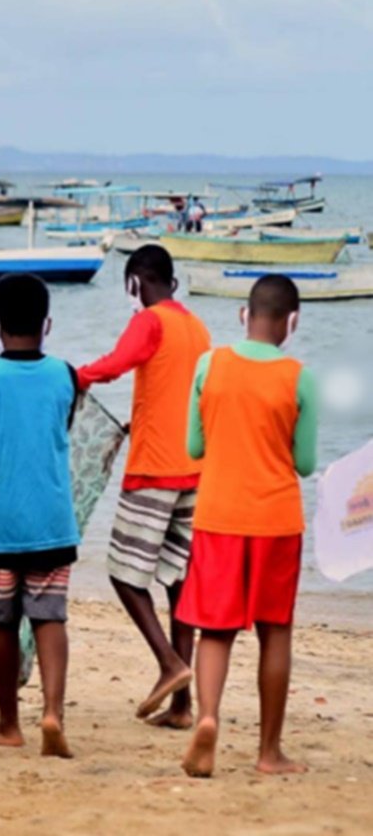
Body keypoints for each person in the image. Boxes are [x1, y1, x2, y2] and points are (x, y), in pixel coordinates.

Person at [179, 275, 317, 778]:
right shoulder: (301, 378)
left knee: (214, 629)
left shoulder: (208, 364)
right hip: (277, 520)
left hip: (218, 515)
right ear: (293, 321)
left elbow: (195, 447)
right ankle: (268, 752)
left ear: (244, 314)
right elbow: (304, 462)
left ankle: (209, 717)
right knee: (275, 630)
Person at [77, 245, 210, 729]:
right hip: (197, 470)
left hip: (154, 469)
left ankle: (169, 663)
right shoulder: (196, 326)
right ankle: (182, 707)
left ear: (136, 282)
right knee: (176, 581)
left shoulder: (149, 321)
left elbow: (115, 364)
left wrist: (75, 377)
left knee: (124, 573)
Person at [0, 274, 77, 759]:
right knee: (49, 617)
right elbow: (61, 425)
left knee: (1, 621)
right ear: (48, 324)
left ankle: (9, 722)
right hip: (52, 522)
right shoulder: (65, 374)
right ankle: (54, 712)